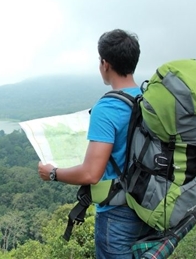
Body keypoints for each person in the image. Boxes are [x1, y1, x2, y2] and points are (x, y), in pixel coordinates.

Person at [38, 29, 153, 259]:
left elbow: (91, 174)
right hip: (149, 208)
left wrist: (52, 173)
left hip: (118, 217)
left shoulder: (108, 107)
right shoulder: (147, 98)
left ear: (105, 63)